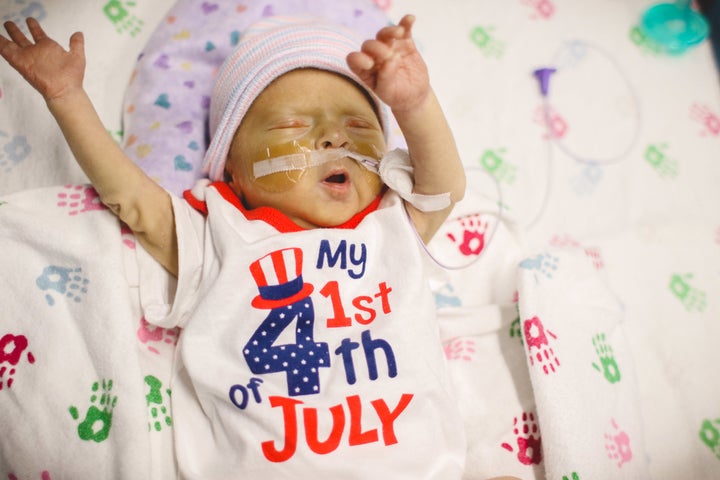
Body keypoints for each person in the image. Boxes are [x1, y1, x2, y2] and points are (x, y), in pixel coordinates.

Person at [1, 15, 519, 480]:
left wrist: (414, 104)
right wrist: (67, 98)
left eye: (358, 128)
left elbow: (444, 184)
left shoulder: (391, 225)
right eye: (293, 127)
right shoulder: (219, 237)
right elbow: (130, 198)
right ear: (234, 169)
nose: (333, 140)